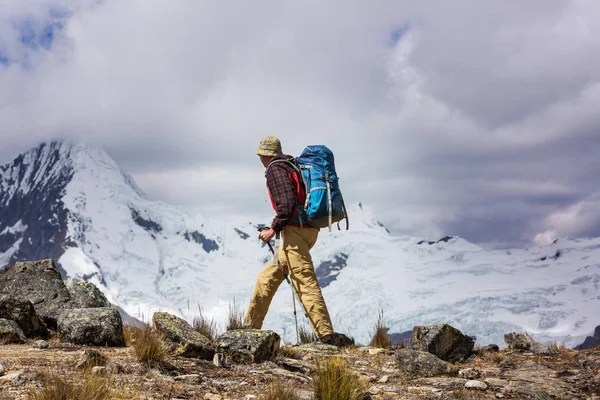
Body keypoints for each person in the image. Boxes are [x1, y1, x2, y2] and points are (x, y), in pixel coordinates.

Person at [243, 136, 352, 347]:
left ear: (264, 154)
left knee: (304, 281)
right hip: (307, 229)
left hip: (295, 233)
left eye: (260, 155)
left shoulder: (276, 169)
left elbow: (287, 203)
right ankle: (248, 331)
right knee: (266, 279)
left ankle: (326, 337)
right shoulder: (292, 164)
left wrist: (273, 228)